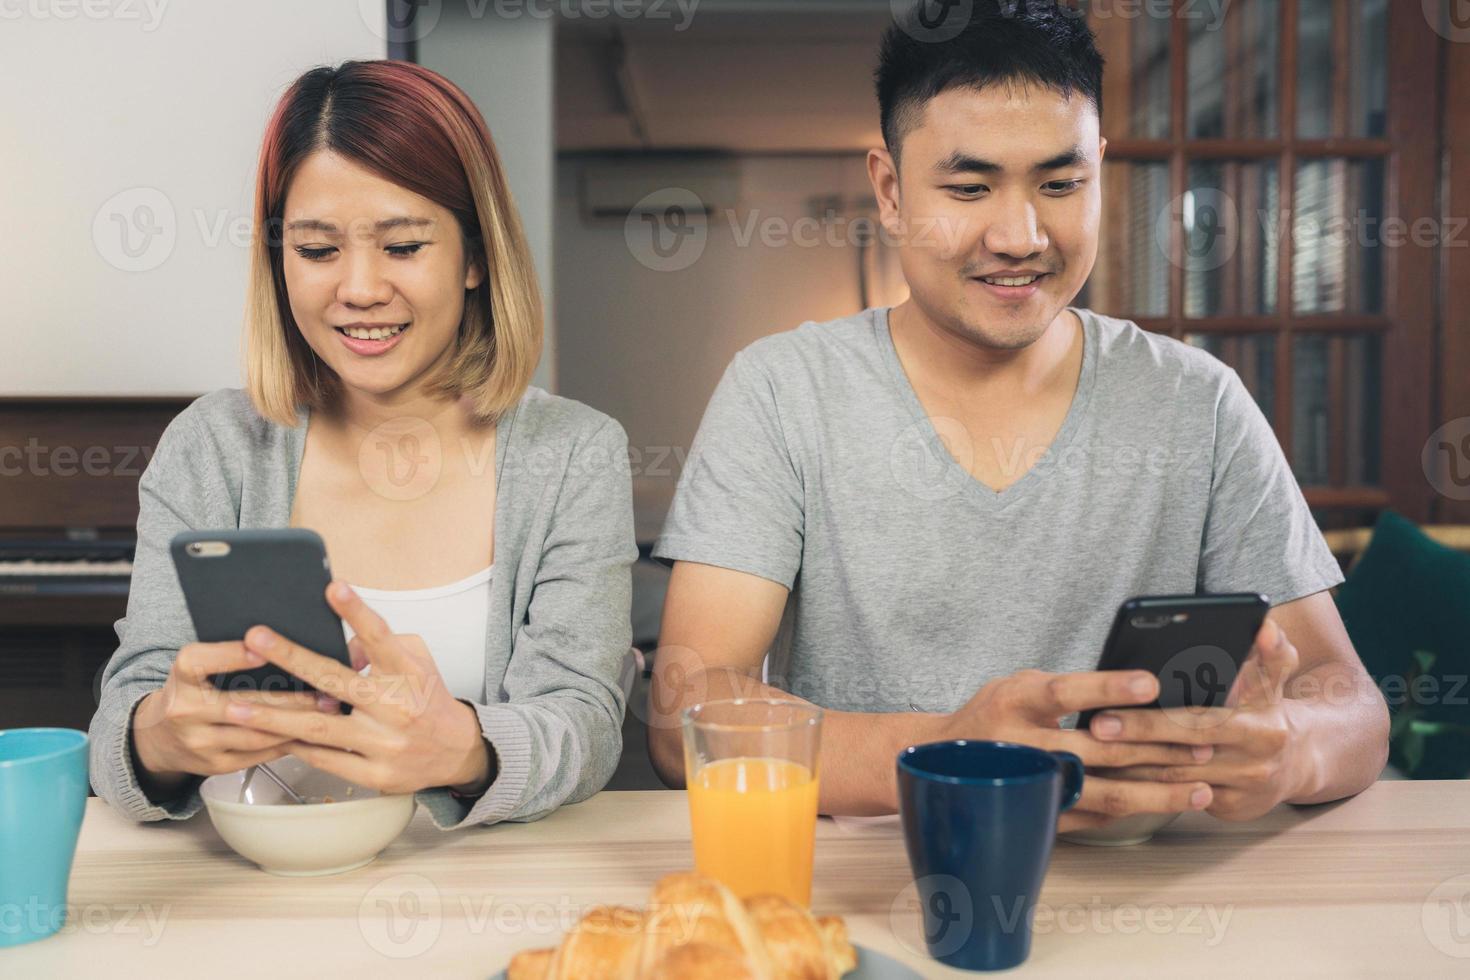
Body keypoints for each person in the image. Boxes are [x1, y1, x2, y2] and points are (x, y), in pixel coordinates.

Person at [648, 1, 1388, 832]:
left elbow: (1349, 698)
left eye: (1061, 184)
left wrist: (1291, 747)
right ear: (890, 193)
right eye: (969, 189)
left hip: (1143, 889)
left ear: (1101, 173)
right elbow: (688, 715)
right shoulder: (783, 392)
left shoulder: (1198, 403)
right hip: (866, 890)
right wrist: (947, 752)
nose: (1020, 235)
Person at [91, 60, 636, 830]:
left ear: (476, 256)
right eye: (317, 252)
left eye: (404, 247)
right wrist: (159, 735)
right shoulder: (214, 446)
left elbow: (584, 723)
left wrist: (467, 749)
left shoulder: (573, 454)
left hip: (484, 890)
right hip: (257, 887)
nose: (359, 288)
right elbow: (124, 721)